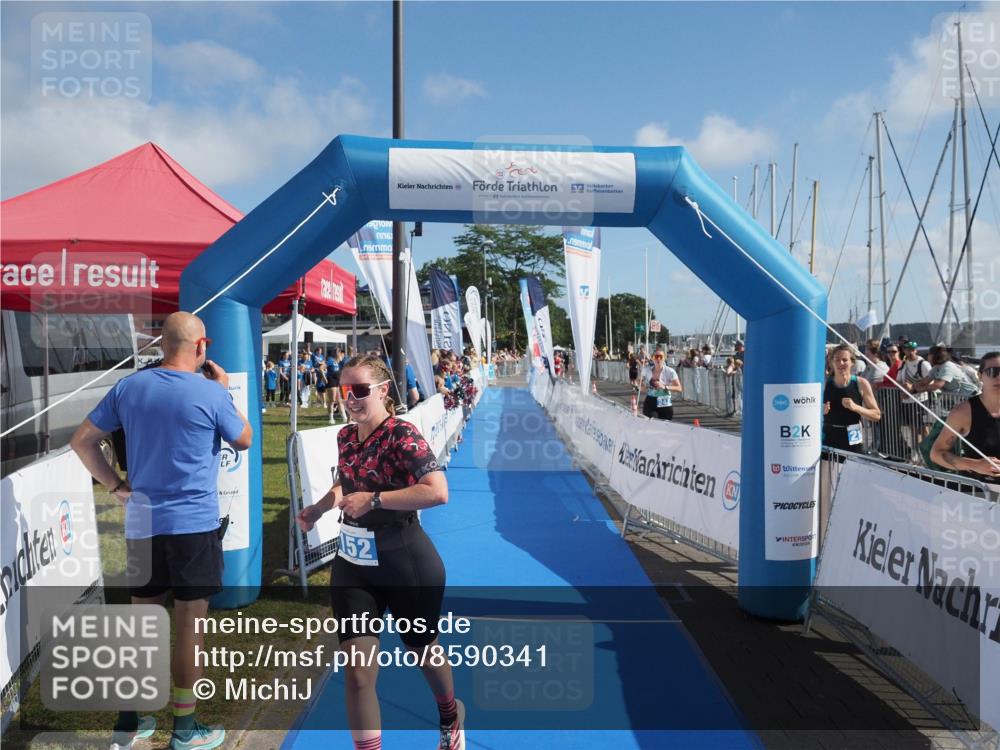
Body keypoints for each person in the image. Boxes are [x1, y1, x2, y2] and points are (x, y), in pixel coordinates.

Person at [70, 312, 252, 750]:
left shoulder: (130, 387)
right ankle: (185, 731)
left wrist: (116, 486)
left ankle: (130, 722)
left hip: (143, 521)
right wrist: (222, 391)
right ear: (202, 346)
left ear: (161, 344)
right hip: (193, 525)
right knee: (189, 628)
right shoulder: (210, 392)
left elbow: (82, 441)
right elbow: (243, 438)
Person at [295, 354, 464, 750]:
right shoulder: (345, 436)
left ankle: (450, 713)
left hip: (405, 559)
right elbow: (347, 482)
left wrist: (373, 500)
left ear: (384, 391)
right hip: (354, 565)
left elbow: (437, 491)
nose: (350, 398)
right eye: (344, 390)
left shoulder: (402, 435)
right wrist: (320, 507)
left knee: (423, 651)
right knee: (356, 674)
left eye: (359, 390)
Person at [929, 352, 1000, 483]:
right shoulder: (963, 412)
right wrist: (975, 464)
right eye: (992, 372)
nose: (998, 377)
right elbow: (936, 453)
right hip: (980, 491)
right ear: (980, 376)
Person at [822, 344, 881, 453]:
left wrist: (856, 407)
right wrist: (820, 411)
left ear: (852, 362)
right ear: (832, 362)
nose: (841, 363)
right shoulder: (824, 383)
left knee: (853, 468)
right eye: (837, 360)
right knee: (829, 469)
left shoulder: (861, 383)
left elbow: (876, 415)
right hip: (829, 436)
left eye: (845, 360)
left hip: (853, 437)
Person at [640, 349, 682, 420]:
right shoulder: (646, 370)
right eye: (656, 356)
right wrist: (641, 386)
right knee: (652, 424)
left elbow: (679, 388)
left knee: (665, 427)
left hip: (665, 402)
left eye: (661, 357)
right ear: (653, 358)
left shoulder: (670, 371)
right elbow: (639, 380)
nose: (658, 359)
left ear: (664, 358)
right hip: (650, 402)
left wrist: (665, 387)